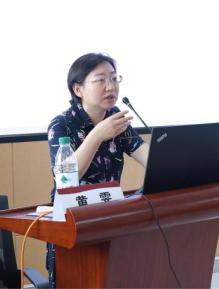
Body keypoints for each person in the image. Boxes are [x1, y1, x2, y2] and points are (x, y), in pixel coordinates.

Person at [46, 53, 149, 287]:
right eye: (101, 80)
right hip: (73, 221)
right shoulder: (61, 124)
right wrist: (97, 135)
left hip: (111, 218)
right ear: (78, 89)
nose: (111, 86)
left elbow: (147, 156)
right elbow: (67, 177)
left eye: (114, 78)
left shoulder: (116, 118)